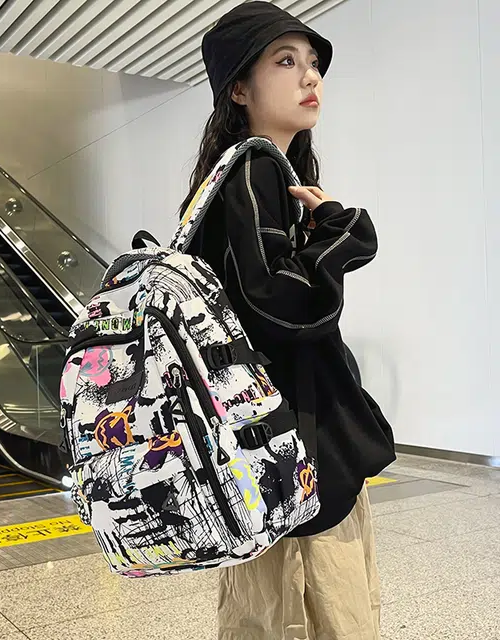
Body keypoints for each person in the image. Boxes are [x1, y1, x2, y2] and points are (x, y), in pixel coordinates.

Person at [183, 3, 396, 639]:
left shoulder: (243, 175)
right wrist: (345, 231)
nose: (310, 78)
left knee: (263, 612)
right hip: (296, 448)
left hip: (259, 448)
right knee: (326, 611)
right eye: (285, 61)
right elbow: (283, 303)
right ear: (239, 89)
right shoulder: (253, 171)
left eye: (313, 64)